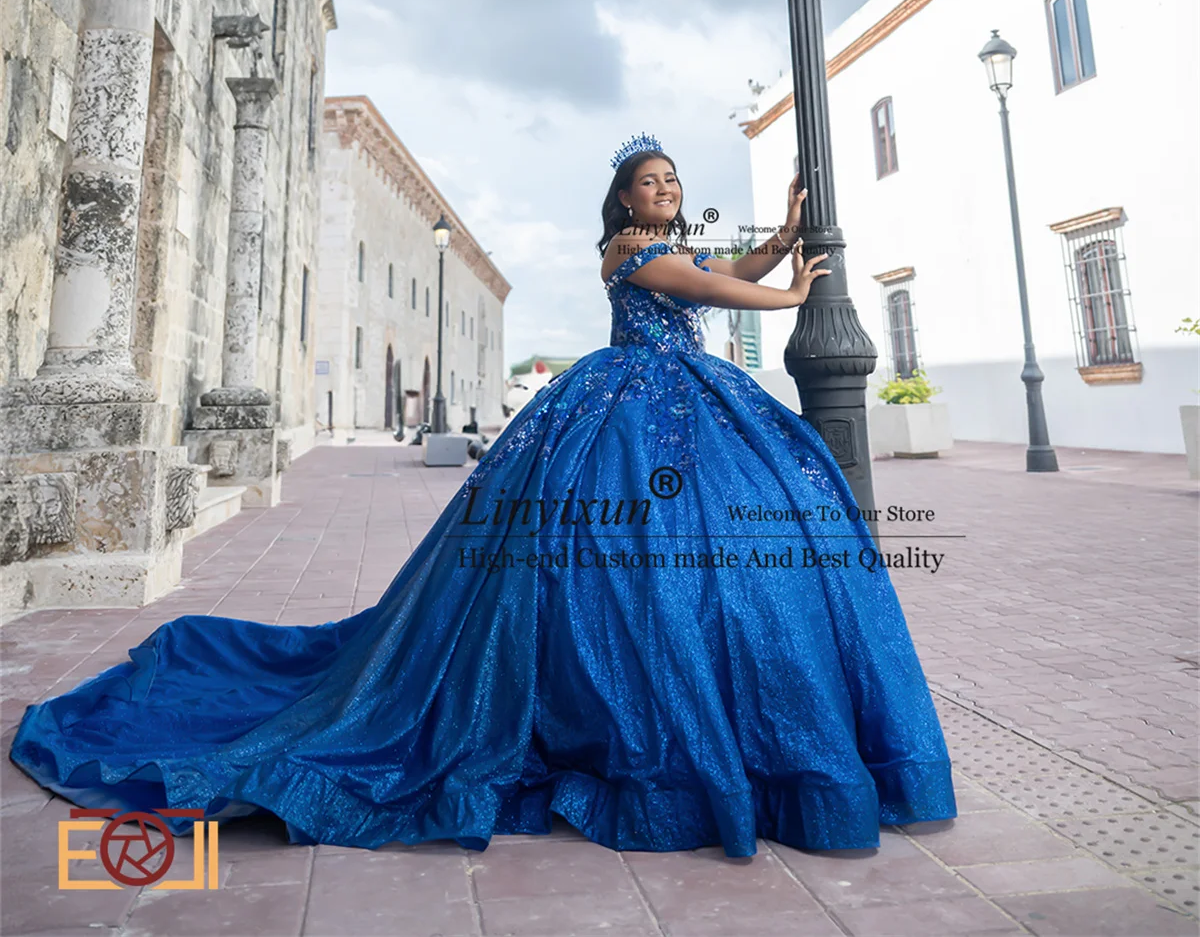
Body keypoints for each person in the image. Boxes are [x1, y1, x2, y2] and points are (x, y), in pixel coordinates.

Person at [8, 136, 956, 858]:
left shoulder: (676, 254)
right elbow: (708, 284)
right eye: (649, 183)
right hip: (627, 414)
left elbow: (713, 280)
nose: (663, 193)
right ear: (623, 201)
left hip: (686, 413)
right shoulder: (629, 250)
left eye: (671, 183)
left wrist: (780, 245)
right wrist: (793, 296)